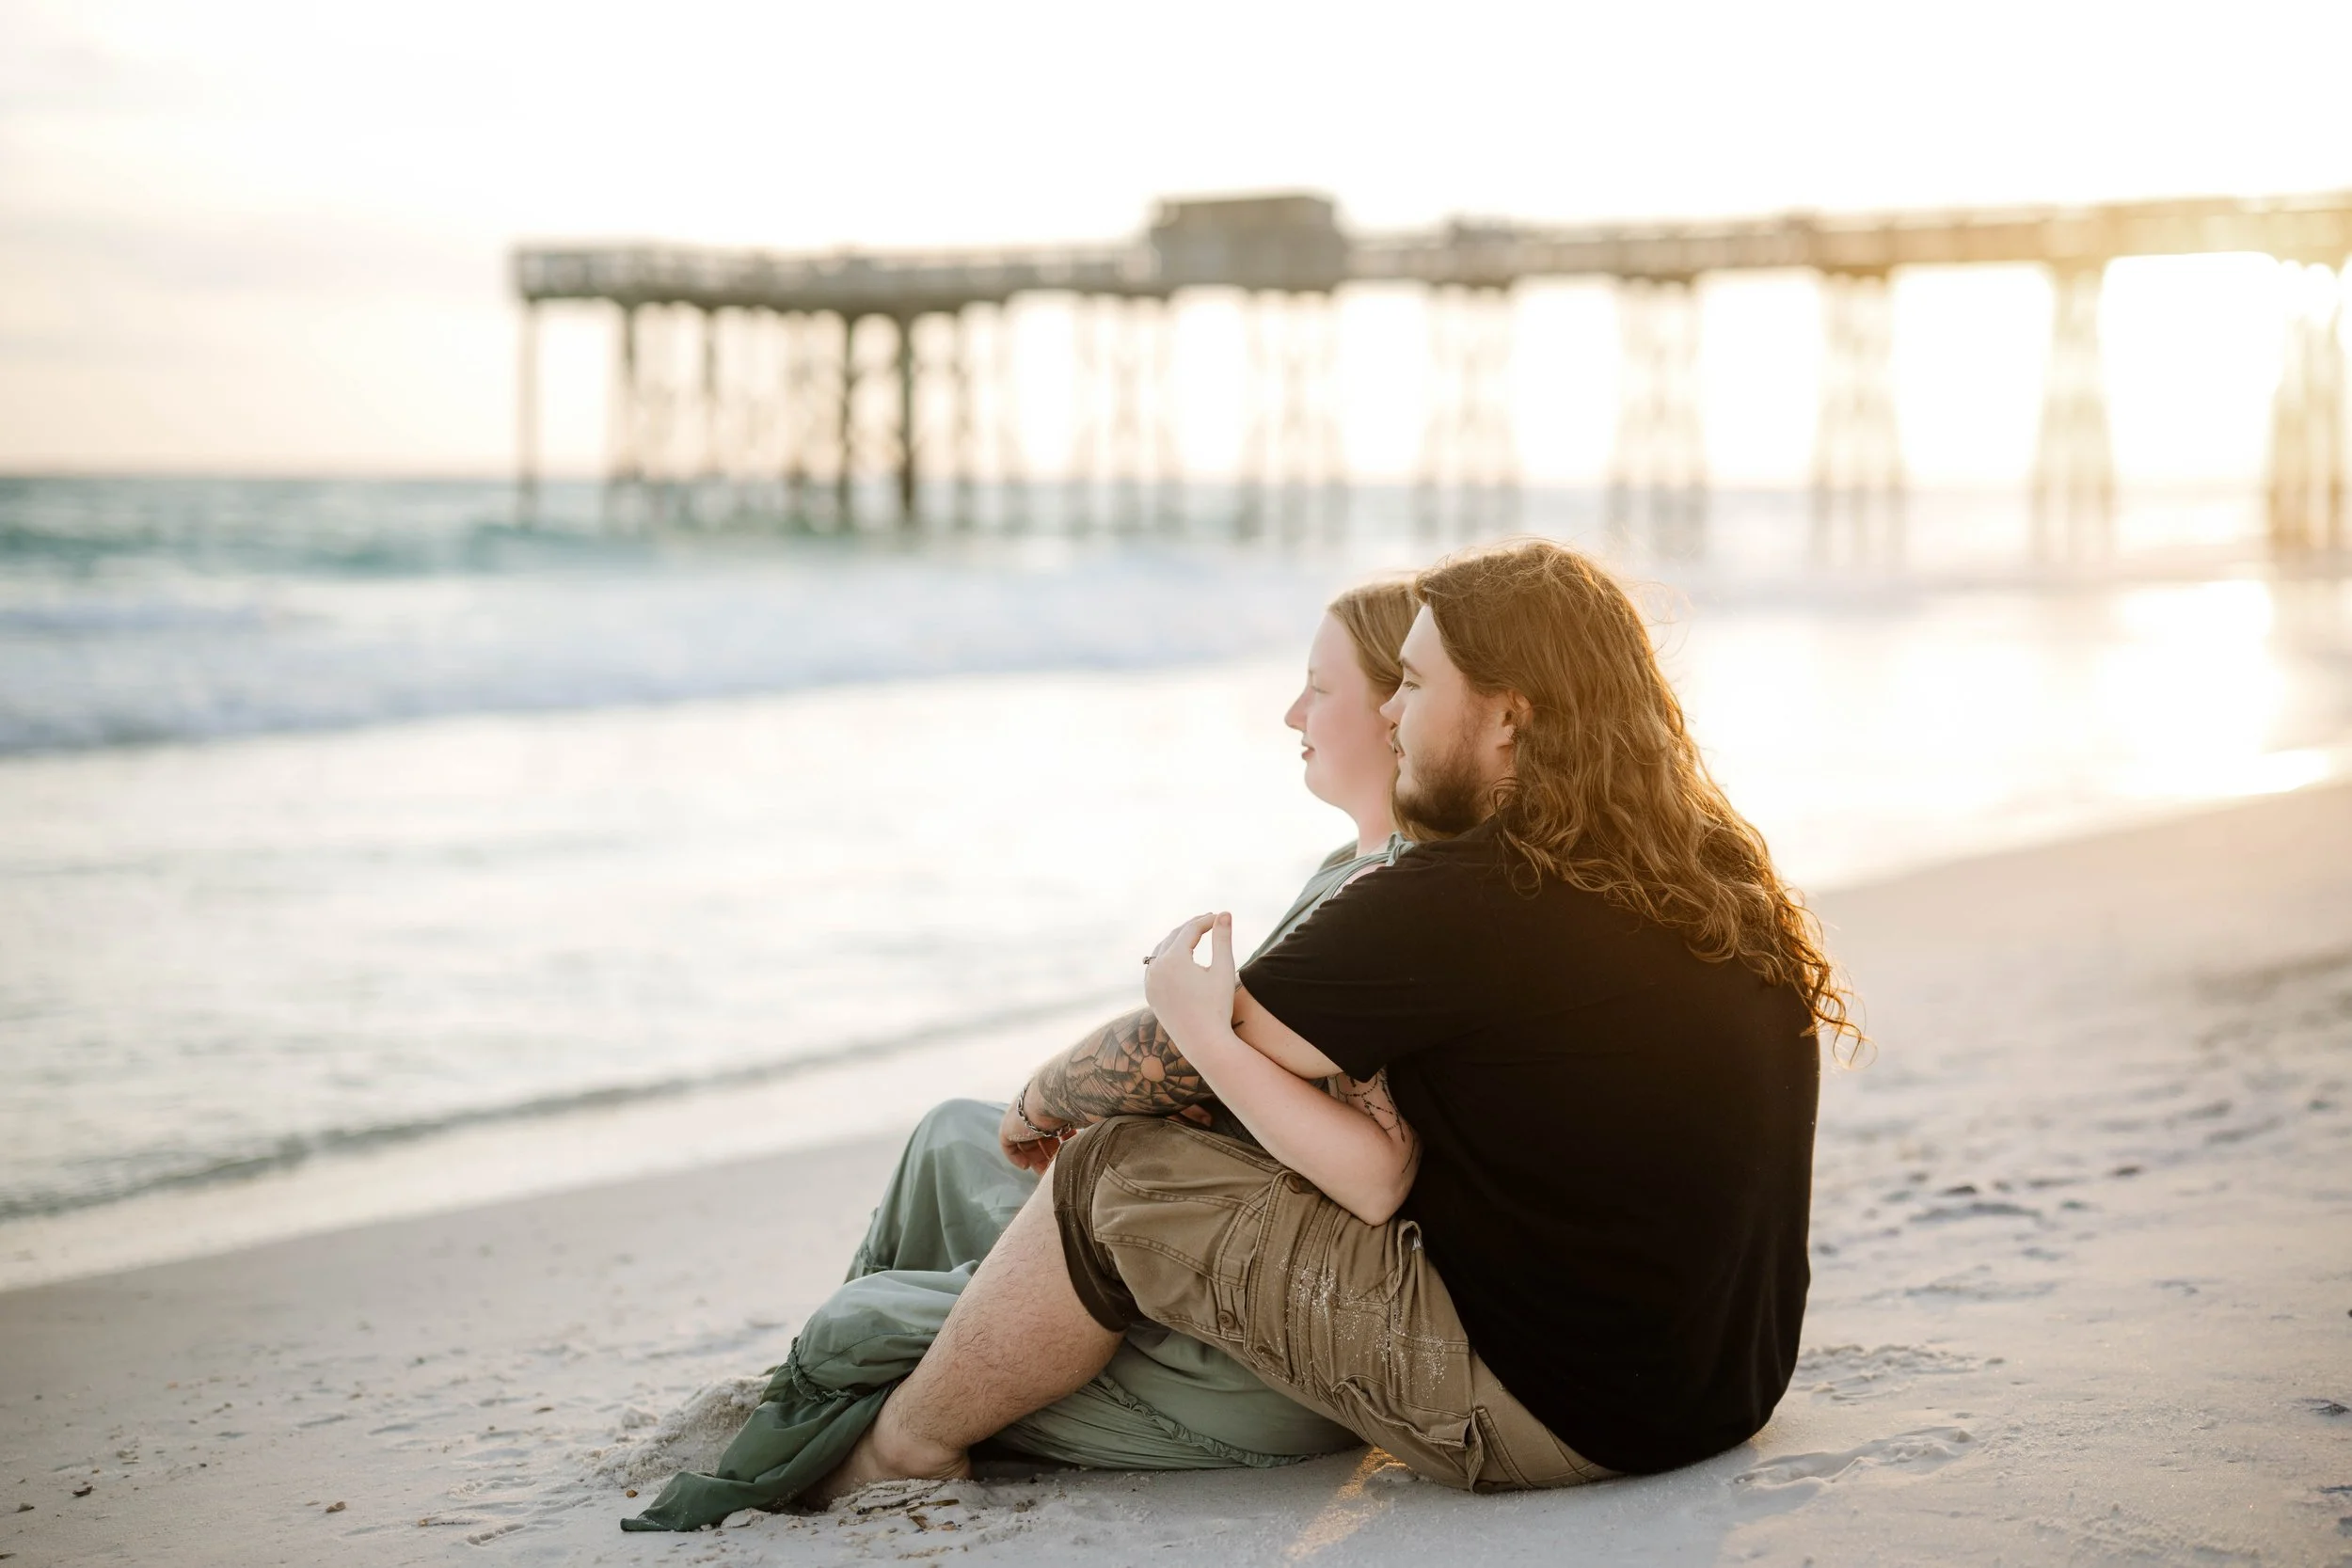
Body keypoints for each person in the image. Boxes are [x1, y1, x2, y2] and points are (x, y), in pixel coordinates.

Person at [818, 537, 1853, 1500]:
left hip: (1558, 1417)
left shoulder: (1474, 891)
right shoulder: (1712, 871)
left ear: (1509, 715)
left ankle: (903, 1441)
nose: (1393, 712)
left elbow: (1172, 1054)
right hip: (1719, 1390)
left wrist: (1038, 1098)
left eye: (1412, 683)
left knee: (1112, 1171)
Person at [624, 578, 1424, 1531]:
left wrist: (1059, 1095)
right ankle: (864, 1382)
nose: (1291, 712)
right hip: (1185, 1255)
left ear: (1396, 711)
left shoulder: (1393, 898)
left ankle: (856, 1409)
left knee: (860, 1321)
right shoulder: (1353, 871)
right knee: (949, 1135)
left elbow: (1270, 1102)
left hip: (1235, 1347)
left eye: (1317, 689)